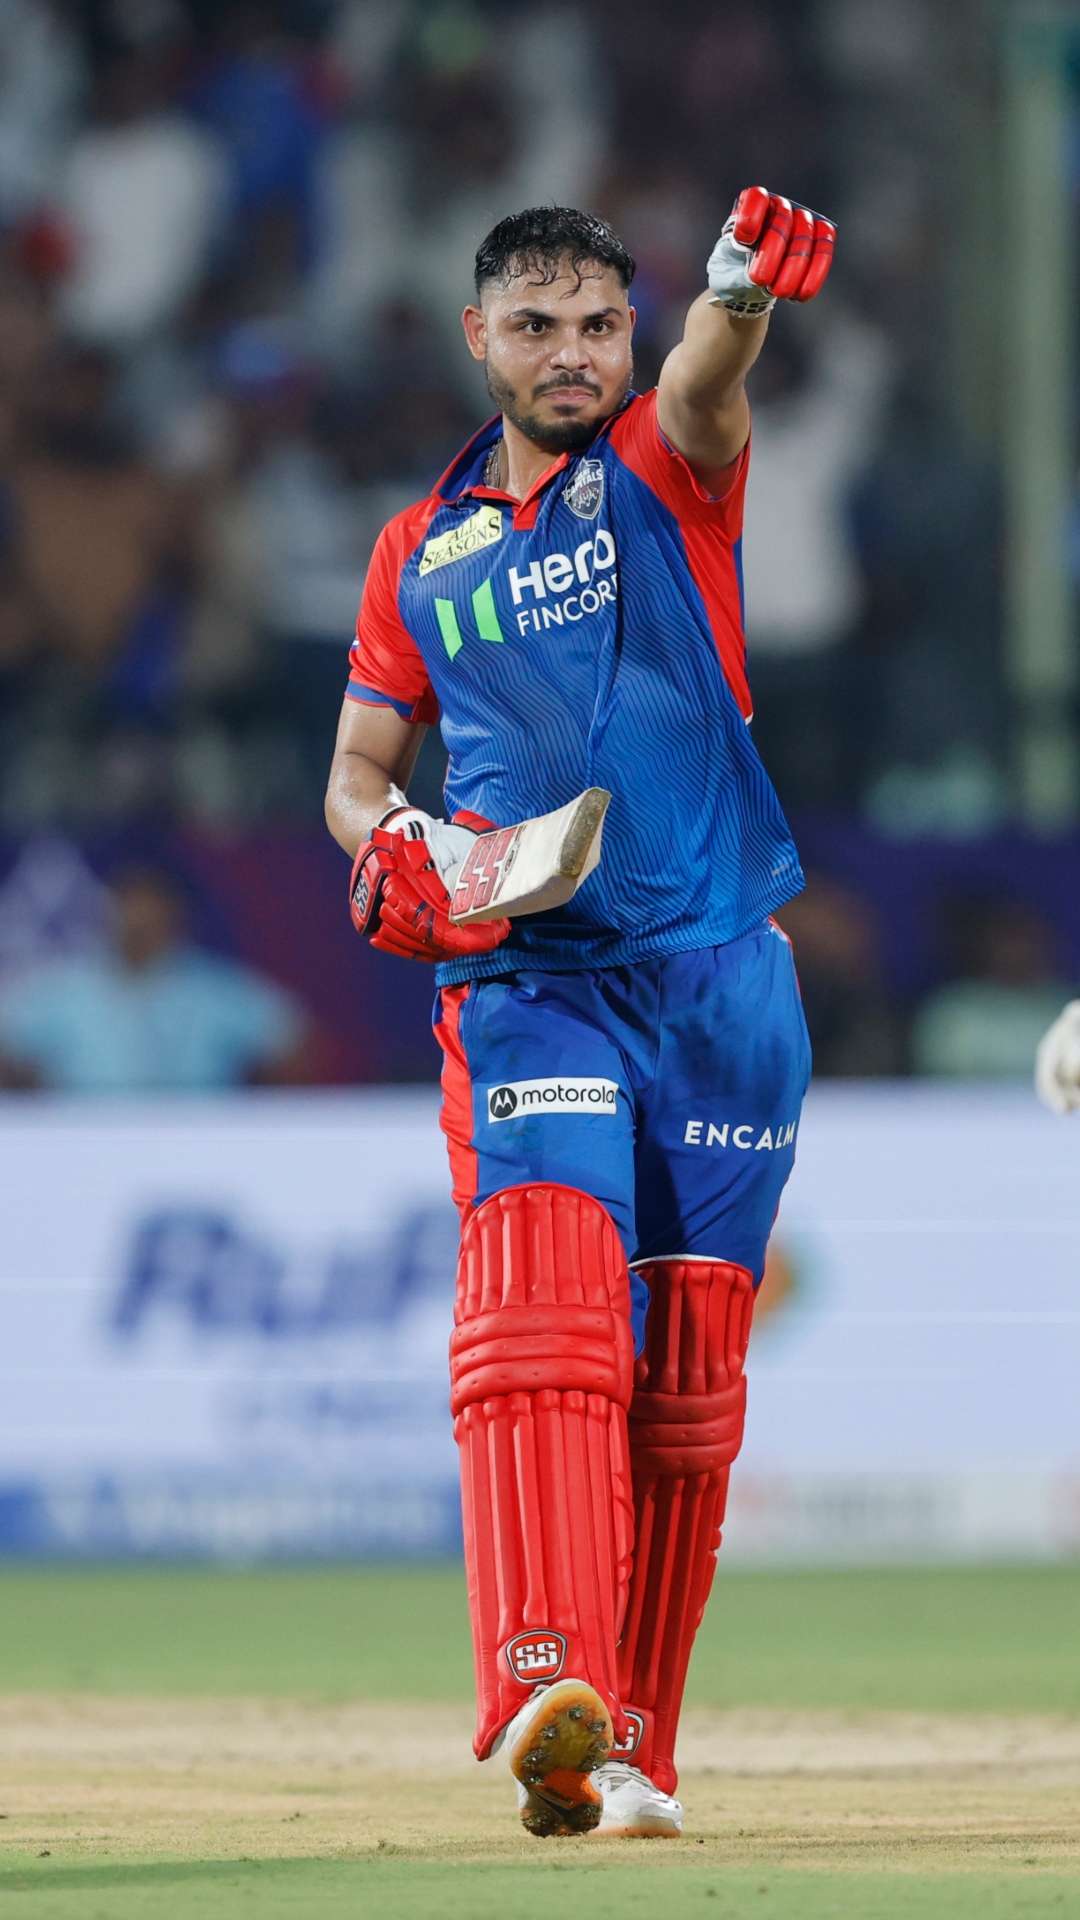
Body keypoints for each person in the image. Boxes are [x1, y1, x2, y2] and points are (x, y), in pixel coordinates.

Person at [325, 191, 834, 1838]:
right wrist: (402, 844)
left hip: (722, 982)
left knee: (686, 1398)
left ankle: (630, 1755)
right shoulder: (418, 551)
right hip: (531, 974)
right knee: (548, 1320)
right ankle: (550, 1688)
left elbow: (708, 382)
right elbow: (356, 771)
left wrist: (736, 296)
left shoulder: (665, 470)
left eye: (599, 325)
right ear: (478, 337)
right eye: (536, 326)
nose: (572, 355)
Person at [0, 864, 306, 1093]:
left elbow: (292, 1046)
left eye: (149, 916)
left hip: (199, 1136)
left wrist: (258, 1114)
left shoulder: (216, 989)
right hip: (84, 1137)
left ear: (174, 917)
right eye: (128, 911)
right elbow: (10, 1051)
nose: (137, 925)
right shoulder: (63, 989)